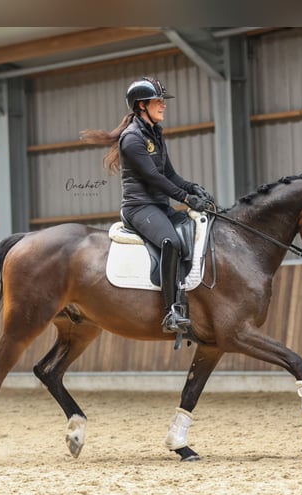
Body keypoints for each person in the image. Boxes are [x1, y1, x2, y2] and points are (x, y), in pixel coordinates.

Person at [81, 76, 214, 334]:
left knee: (194, 231)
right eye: (158, 101)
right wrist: (186, 199)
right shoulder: (132, 139)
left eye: (163, 101)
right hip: (139, 208)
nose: (163, 105)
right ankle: (172, 310)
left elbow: (170, 175)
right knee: (171, 242)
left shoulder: (155, 133)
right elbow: (153, 177)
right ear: (141, 105)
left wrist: (193, 187)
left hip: (159, 206)